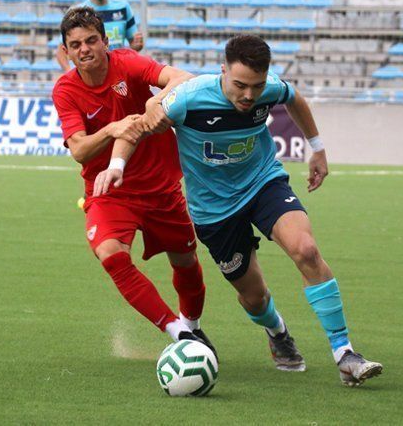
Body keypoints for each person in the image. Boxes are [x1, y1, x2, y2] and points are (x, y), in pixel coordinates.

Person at [94, 34, 382, 386]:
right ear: (223, 72)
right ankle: (277, 331)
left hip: (263, 183)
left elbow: (295, 99)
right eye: (240, 85)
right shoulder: (188, 98)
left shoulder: (269, 89)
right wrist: (117, 166)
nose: (249, 96)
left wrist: (317, 148)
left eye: (256, 87)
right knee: (254, 296)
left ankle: (345, 353)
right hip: (214, 210)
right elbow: (136, 127)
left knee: (305, 249)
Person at [51, 7, 215, 354]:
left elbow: (184, 77)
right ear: (66, 51)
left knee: (186, 264)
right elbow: (79, 150)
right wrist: (112, 128)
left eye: (91, 40)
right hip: (110, 190)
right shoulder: (65, 90)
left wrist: (156, 100)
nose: (84, 50)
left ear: (106, 41)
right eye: (75, 44)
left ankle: (193, 327)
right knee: (110, 254)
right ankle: (179, 334)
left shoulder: (129, 63)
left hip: (160, 187)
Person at [55, 0, 144, 71]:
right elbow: (61, 52)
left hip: (117, 73)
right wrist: (71, 74)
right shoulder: (78, 12)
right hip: (89, 75)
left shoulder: (123, 8)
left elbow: (134, 45)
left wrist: (137, 45)